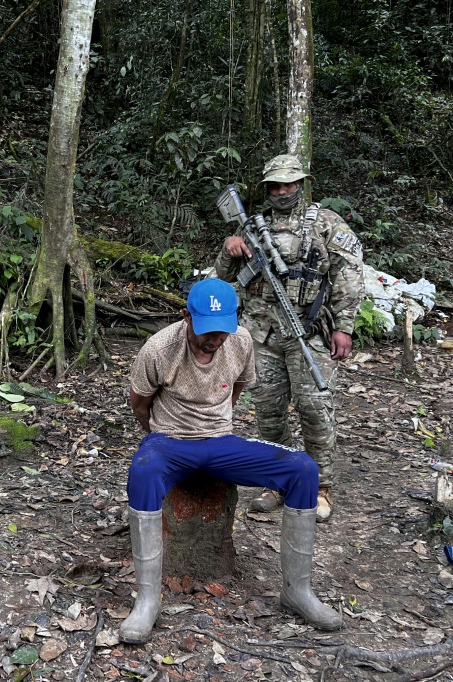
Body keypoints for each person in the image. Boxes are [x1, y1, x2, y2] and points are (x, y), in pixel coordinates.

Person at [120, 278, 341, 644]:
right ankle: (147, 599)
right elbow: (139, 403)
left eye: (222, 332)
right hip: (170, 441)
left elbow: (238, 386)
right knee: (142, 471)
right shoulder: (159, 348)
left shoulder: (240, 341)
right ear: (187, 317)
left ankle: (297, 590)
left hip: (221, 442)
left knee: (303, 468)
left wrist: (217, 425)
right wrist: (160, 436)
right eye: (207, 331)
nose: (214, 340)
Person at [215, 155, 364, 521]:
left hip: (308, 331)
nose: (283, 191)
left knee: (315, 408)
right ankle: (276, 479)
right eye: (275, 186)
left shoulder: (326, 223)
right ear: (266, 188)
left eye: (289, 184)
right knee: (268, 412)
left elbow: (350, 274)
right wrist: (229, 247)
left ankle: (320, 486)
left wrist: (344, 326)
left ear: (301, 184)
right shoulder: (251, 225)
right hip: (261, 335)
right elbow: (220, 278)